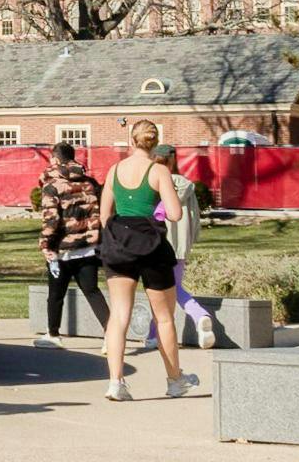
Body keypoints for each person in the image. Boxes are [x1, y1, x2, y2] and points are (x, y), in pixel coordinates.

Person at [98, 119, 196, 401]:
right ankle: (175, 380)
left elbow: (105, 215)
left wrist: (121, 230)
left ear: (131, 140)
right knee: (164, 317)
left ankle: (116, 383)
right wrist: (157, 211)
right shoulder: (159, 171)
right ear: (155, 143)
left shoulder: (115, 170)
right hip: (152, 246)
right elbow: (175, 213)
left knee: (119, 315)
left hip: (119, 246)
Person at [32, 142, 111, 349]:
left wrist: (45, 244)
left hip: (62, 249)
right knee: (92, 291)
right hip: (88, 246)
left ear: (55, 160)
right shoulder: (90, 183)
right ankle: (111, 334)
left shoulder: (51, 187)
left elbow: (51, 220)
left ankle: (53, 334)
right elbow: (101, 212)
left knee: (56, 294)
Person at [142, 144, 216, 352]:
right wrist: (190, 240)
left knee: (163, 289)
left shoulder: (152, 183)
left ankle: (198, 314)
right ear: (172, 160)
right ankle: (153, 334)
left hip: (157, 244)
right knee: (166, 289)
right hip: (180, 246)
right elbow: (194, 217)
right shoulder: (187, 185)